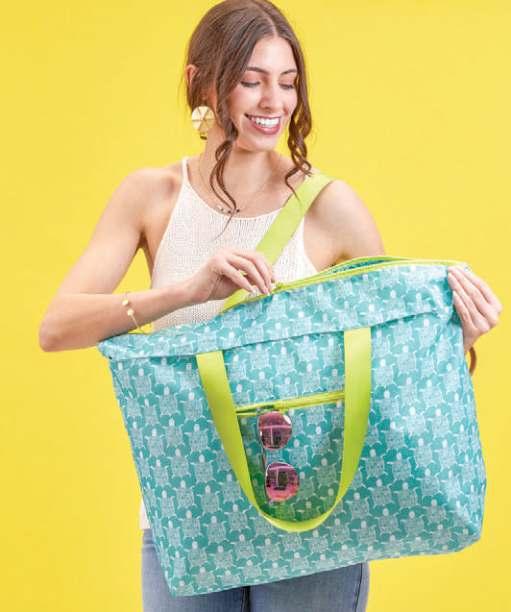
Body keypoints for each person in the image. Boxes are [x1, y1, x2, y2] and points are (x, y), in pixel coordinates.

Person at [39, 1, 503, 610]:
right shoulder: (152, 196)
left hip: (315, 514)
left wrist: (457, 339)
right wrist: (187, 291)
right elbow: (56, 327)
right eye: (251, 80)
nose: (274, 102)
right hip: (189, 518)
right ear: (201, 83)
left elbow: (387, 372)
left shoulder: (331, 207)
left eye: (288, 83)